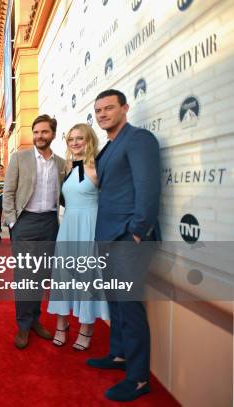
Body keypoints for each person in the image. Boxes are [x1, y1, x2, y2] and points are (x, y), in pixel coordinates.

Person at [86, 89, 160, 402]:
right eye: (98, 110)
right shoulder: (109, 147)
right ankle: (118, 355)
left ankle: (139, 378)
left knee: (130, 309)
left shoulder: (139, 139)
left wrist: (137, 233)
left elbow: (148, 188)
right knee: (115, 303)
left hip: (128, 240)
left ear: (124, 108)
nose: (103, 114)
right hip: (108, 238)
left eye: (109, 108)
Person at [3, 114, 66, 349]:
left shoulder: (61, 163)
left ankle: (35, 320)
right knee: (25, 277)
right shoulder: (20, 158)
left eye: (44, 132)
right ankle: (23, 325)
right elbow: (8, 193)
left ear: (53, 134)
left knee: (40, 276)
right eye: (36, 132)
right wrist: (13, 223)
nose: (39, 136)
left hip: (50, 223)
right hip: (25, 223)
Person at [46, 124, 109, 351]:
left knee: (86, 277)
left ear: (89, 140)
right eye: (71, 138)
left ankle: (86, 328)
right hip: (68, 227)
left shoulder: (98, 168)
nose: (74, 142)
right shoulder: (68, 167)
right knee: (63, 276)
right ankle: (61, 325)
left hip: (89, 227)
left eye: (79, 138)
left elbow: (110, 201)